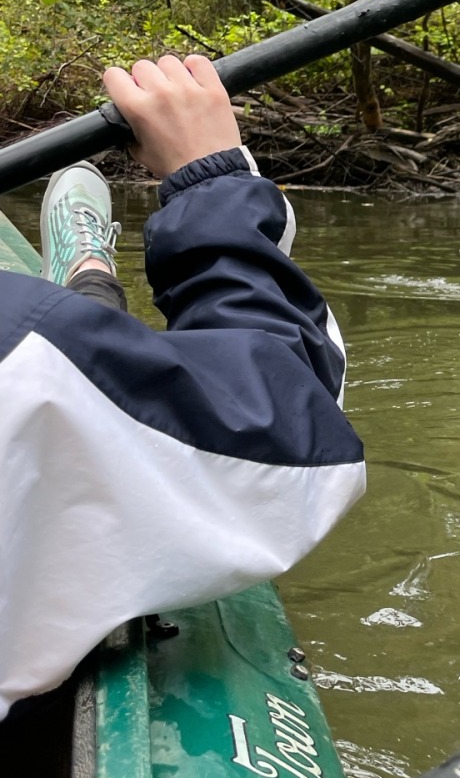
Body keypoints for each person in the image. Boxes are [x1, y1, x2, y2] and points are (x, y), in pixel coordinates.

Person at [0, 53, 365, 722]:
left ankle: (86, 291)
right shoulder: (17, 359)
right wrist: (213, 185)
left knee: (68, 362)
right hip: (36, 355)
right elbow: (286, 436)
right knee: (63, 362)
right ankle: (87, 281)